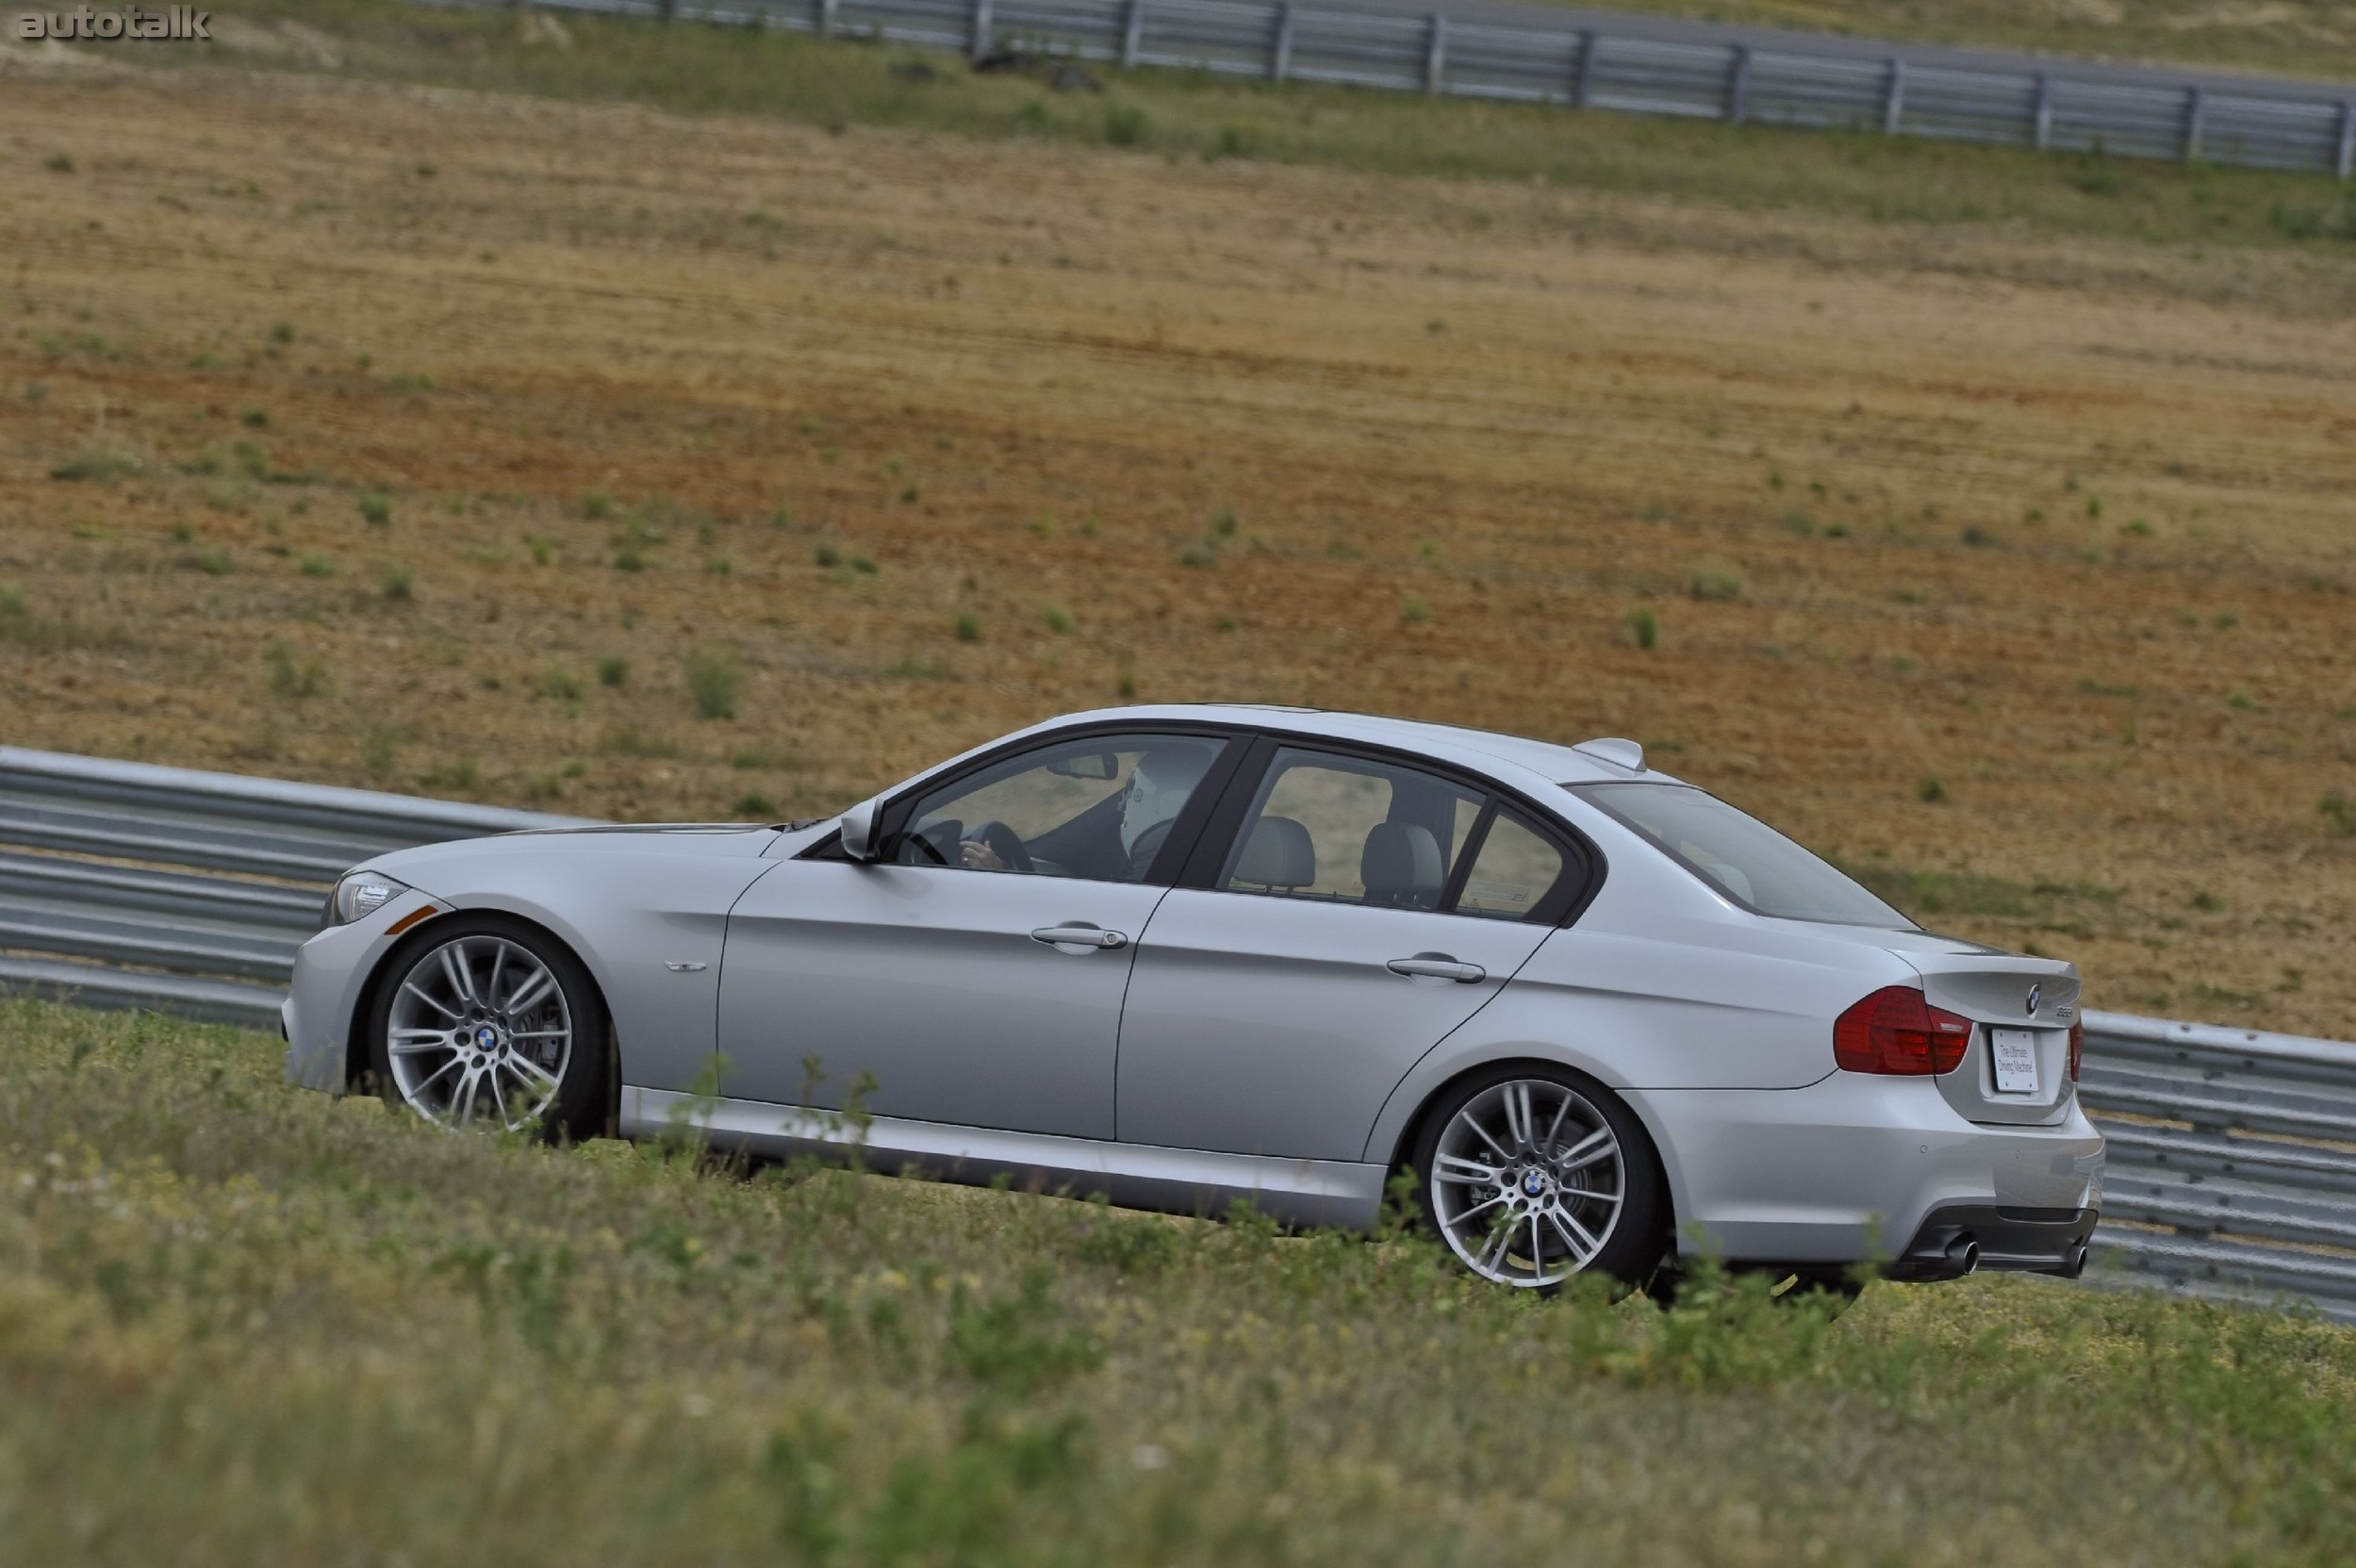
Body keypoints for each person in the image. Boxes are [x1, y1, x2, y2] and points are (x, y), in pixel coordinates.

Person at [960, 745, 1213, 875]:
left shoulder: (1154, 872)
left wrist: (1001, 877)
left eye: (1130, 794)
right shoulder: (1194, 865)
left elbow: (1083, 924)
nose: (1122, 808)